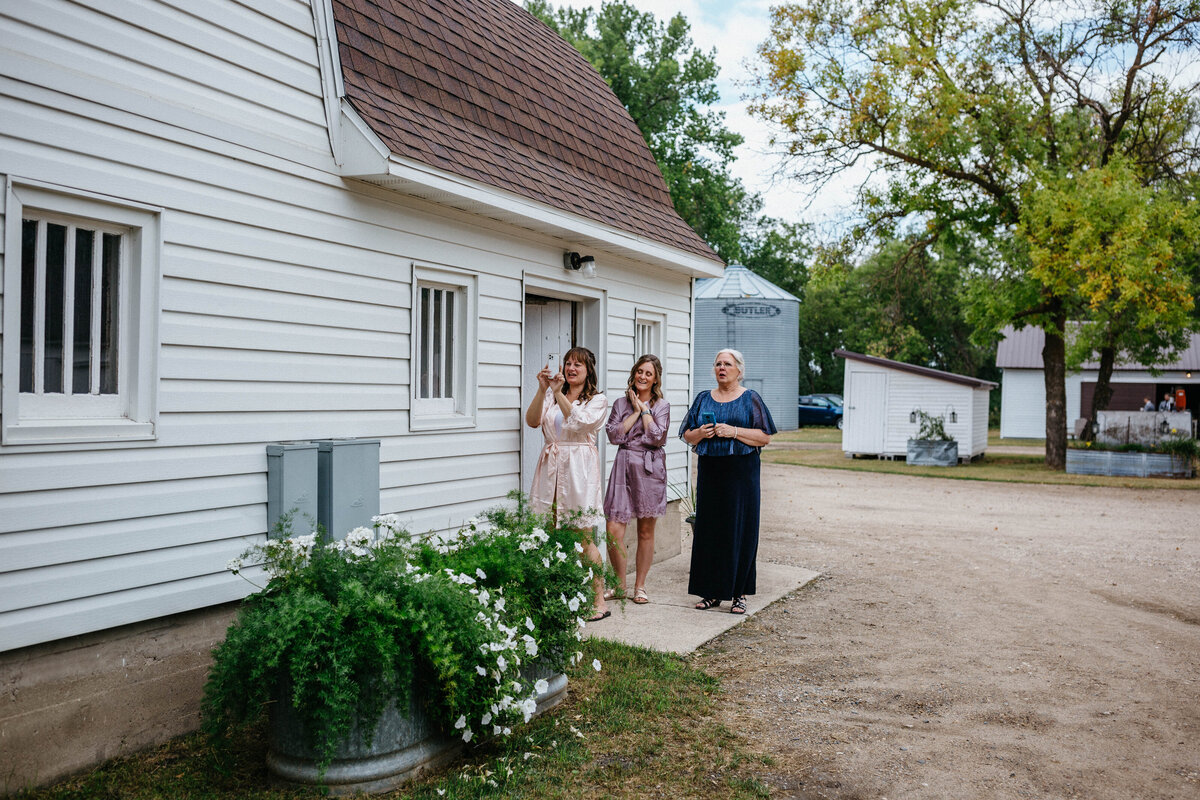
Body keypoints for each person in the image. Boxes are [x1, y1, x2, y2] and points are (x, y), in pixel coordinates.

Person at [678, 349, 776, 615]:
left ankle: (739, 593)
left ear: (739, 370)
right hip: (711, 469)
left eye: (728, 364)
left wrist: (733, 431)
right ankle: (710, 591)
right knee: (710, 529)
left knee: (740, 528)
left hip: (742, 471)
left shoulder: (750, 399)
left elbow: (765, 437)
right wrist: (700, 432)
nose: (722, 368)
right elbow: (687, 435)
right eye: (718, 364)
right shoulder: (702, 399)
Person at [525, 346, 611, 621]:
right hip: (551, 465)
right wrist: (542, 390)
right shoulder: (550, 395)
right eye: (568, 363)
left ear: (588, 371)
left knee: (583, 535)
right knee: (549, 532)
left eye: (578, 365)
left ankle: (599, 601)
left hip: (578, 468)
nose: (572, 368)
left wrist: (560, 393)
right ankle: (557, 597)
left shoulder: (597, 400)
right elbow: (532, 421)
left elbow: (581, 423)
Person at [603, 355, 670, 605]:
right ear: (634, 374)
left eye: (648, 373)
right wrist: (635, 410)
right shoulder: (621, 403)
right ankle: (620, 585)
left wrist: (646, 410)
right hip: (623, 467)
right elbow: (614, 436)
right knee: (613, 530)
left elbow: (656, 437)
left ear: (655, 379)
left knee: (644, 530)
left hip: (649, 469)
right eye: (639, 371)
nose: (643, 376)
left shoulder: (662, 405)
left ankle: (639, 586)